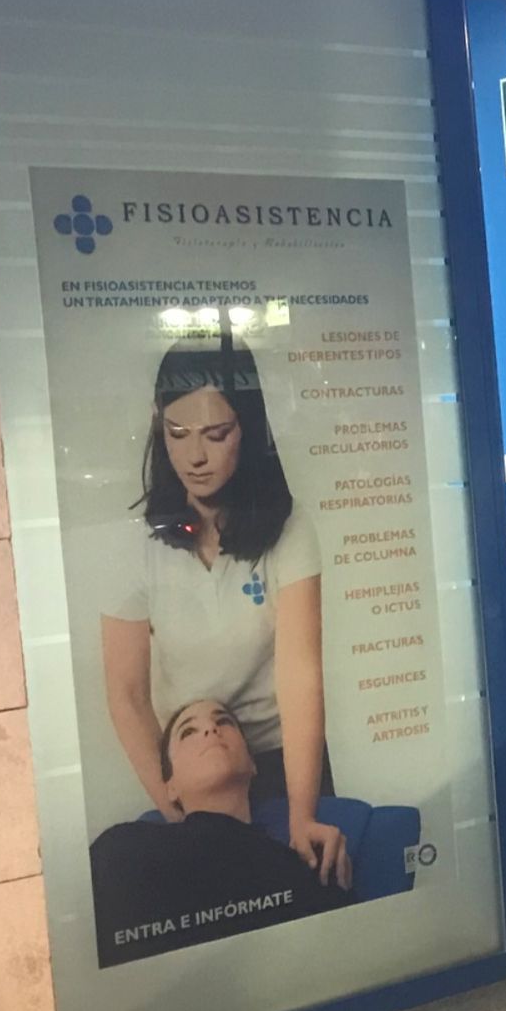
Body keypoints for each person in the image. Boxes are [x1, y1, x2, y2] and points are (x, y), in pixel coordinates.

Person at [101, 330, 346, 876]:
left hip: (283, 760)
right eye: (177, 433)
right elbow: (127, 694)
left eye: (216, 434)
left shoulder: (289, 528)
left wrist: (302, 814)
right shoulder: (133, 546)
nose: (195, 456)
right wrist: (176, 809)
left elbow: (300, 675)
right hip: (194, 771)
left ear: (248, 428)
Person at [88, 700, 354, 968]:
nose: (211, 729)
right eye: (188, 732)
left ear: (252, 765)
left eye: (224, 722)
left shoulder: (303, 866)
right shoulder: (121, 849)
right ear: (170, 787)